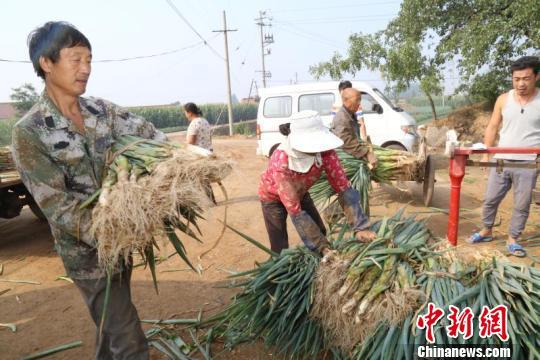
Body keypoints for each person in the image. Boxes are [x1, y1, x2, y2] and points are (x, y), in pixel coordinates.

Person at [11, 21, 167, 359]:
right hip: (88, 256)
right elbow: (57, 205)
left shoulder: (102, 111)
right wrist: (115, 231)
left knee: (109, 325)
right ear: (47, 64)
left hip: (122, 245)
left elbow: (150, 134)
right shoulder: (30, 132)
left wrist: (170, 166)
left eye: (90, 60)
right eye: (76, 59)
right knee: (128, 339)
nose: (86, 69)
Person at [258, 110, 376, 254]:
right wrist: (322, 248)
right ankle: (279, 272)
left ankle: (318, 257)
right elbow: (295, 210)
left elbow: (343, 186)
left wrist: (360, 227)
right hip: (272, 198)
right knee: (279, 247)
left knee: (320, 230)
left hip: (301, 192)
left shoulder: (326, 153)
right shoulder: (281, 160)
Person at [468, 56, 540, 257]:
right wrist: (485, 154)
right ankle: (486, 230)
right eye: (516, 79)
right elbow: (492, 126)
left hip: (528, 163)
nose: (521, 84)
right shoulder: (503, 99)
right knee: (490, 199)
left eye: (526, 78)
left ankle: (513, 239)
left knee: (521, 204)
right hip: (501, 160)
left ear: (536, 76)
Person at [332, 88, 377, 167]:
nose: (359, 104)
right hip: (347, 163)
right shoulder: (342, 118)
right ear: (346, 100)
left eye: (360, 100)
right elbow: (346, 142)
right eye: (357, 100)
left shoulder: (351, 114)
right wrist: (367, 153)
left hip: (354, 156)